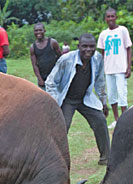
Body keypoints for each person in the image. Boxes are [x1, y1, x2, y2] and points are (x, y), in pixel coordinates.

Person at [46, 33, 110, 166]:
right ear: (78, 46)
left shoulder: (97, 58)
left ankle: (106, 157)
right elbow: (51, 82)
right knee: (62, 128)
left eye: (92, 47)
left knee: (100, 121)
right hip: (67, 99)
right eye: (85, 46)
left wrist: (103, 101)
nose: (88, 50)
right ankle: (56, 161)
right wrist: (55, 103)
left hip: (85, 97)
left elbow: (100, 81)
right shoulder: (66, 59)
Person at [97, 8, 132, 130]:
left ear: (116, 17)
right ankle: (117, 120)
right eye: (108, 17)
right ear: (105, 19)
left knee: (122, 94)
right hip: (108, 69)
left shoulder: (122, 30)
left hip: (121, 68)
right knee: (111, 95)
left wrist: (129, 67)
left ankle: (125, 120)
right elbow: (102, 53)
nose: (110, 19)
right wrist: (100, 70)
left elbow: (128, 48)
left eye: (112, 16)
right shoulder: (103, 34)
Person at [30, 23, 61, 89]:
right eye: (36, 30)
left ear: (44, 31)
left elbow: (60, 58)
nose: (38, 32)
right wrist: (39, 79)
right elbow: (34, 65)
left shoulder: (53, 42)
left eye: (40, 30)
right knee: (44, 98)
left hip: (55, 76)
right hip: (43, 77)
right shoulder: (33, 47)